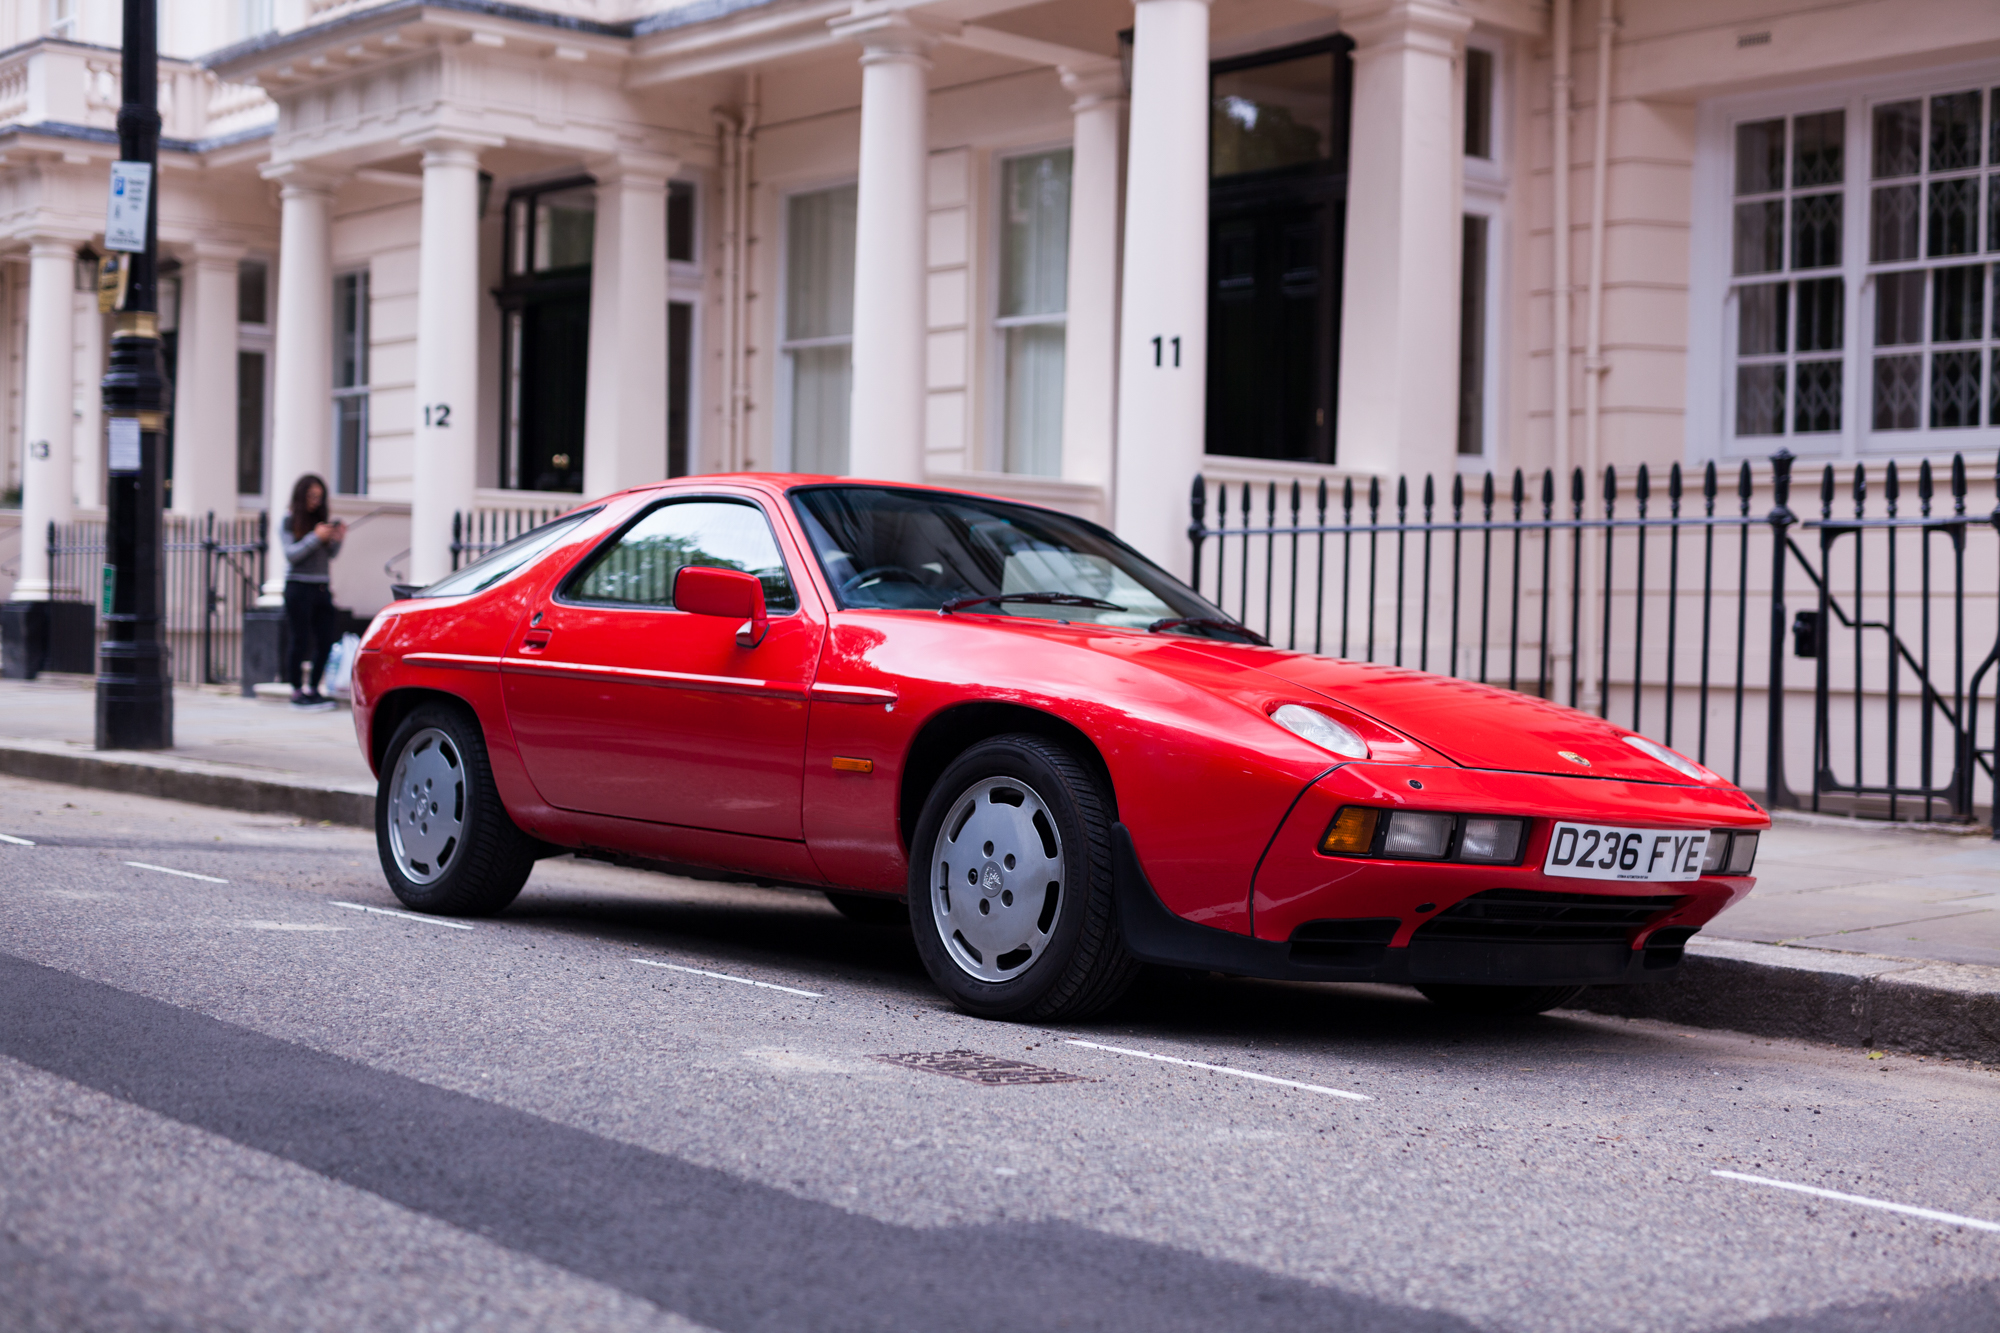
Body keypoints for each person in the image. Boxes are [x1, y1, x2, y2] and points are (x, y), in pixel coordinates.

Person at [282, 473, 346, 710]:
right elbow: (291, 555)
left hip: (321, 587)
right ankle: (297, 691)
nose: (316, 501)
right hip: (298, 587)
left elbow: (330, 556)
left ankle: (314, 689)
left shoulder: (322, 522)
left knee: (326, 639)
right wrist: (315, 537)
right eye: (311, 496)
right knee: (300, 639)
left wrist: (337, 539)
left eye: (320, 497)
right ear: (301, 496)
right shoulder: (289, 521)